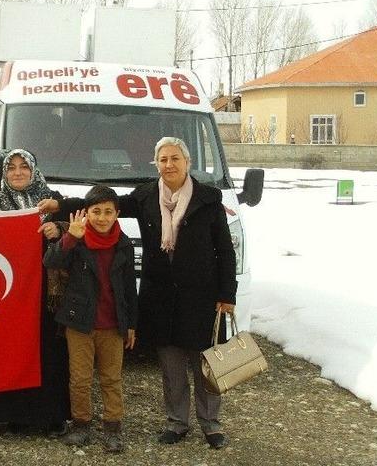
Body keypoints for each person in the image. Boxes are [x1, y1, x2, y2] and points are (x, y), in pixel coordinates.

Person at [43, 137, 237, 449]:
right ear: (156, 164)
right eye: (163, 160)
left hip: (201, 297)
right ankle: (177, 422)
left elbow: (225, 252)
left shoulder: (209, 200)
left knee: (205, 366)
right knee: (172, 368)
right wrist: (61, 205)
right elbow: (104, 203)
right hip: (161, 296)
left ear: (188, 163)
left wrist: (228, 294)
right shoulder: (146, 195)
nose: (169, 165)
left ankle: (211, 425)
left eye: (175, 159)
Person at [0, 149, 71, 435]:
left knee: (48, 352)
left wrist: (58, 227)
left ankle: (50, 416)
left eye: (23, 167)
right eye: (11, 168)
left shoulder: (52, 200)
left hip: (45, 293)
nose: (18, 172)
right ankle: (11, 415)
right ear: (4, 173)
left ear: (33, 170)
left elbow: (78, 225)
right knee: (7, 350)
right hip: (4, 296)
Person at [43, 185, 137, 453]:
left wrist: (131, 323)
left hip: (112, 325)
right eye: (96, 211)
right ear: (87, 213)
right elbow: (50, 261)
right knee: (80, 378)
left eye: (108, 212)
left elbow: (130, 288)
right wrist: (69, 238)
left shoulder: (124, 244)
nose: (102, 217)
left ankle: (113, 429)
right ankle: (81, 424)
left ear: (117, 214)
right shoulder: (78, 239)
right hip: (79, 323)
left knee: (111, 378)